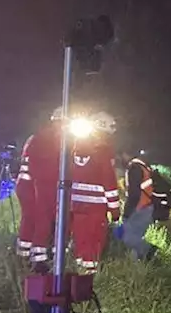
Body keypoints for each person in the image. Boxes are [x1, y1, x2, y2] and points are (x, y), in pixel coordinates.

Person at [68, 113, 120, 274]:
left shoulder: (74, 149)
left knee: (80, 236)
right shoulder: (104, 151)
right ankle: (89, 276)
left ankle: (78, 268)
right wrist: (115, 209)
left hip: (76, 204)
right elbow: (109, 181)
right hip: (96, 206)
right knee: (95, 239)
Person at [25, 108, 67, 270]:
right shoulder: (44, 138)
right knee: (44, 218)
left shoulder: (62, 138)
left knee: (60, 220)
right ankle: (39, 257)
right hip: (46, 183)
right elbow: (34, 162)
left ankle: (56, 254)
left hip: (59, 183)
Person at [121, 151, 159, 260]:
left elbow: (134, 193)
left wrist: (127, 212)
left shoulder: (134, 168)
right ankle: (138, 264)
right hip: (146, 206)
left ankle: (149, 250)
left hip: (139, 208)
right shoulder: (143, 166)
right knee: (135, 236)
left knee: (128, 237)